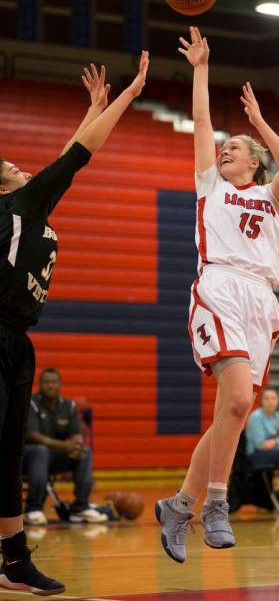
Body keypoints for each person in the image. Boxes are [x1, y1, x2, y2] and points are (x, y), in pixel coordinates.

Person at [0, 51, 149, 595]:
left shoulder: (28, 207)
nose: (28, 169)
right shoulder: (15, 206)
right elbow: (77, 157)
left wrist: (93, 107)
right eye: (16, 167)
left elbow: (66, 157)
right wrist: (129, 97)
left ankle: (14, 562)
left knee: (8, 456)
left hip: (16, 340)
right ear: (3, 187)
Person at [156, 26, 279, 563]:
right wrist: (201, 67)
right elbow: (201, 122)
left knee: (231, 416)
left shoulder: (269, 195)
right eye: (224, 147)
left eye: (234, 149)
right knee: (240, 400)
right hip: (218, 287)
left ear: (252, 163)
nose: (224, 151)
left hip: (261, 301)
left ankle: (179, 505)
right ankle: (215, 503)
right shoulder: (210, 187)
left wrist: (259, 122)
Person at [23, 368, 105, 525]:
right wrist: (66, 445)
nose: (50, 386)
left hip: (54, 457)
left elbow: (77, 436)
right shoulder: (31, 403)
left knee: (84, 452)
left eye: (54, 382)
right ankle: (33, 509)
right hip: (28, 458)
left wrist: (77, 447)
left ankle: (80, 507)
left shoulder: (69, 406)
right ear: (40, 385)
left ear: (60, 384)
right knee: (41, 451)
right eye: (46, 382)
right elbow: (32, 436)